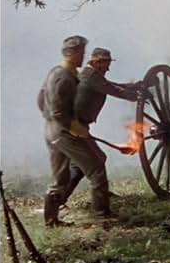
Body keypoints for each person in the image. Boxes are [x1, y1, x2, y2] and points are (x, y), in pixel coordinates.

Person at [37, 36, 113, 226]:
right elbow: (58, 112)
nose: (83, 58)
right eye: (81, 54)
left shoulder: (56, 72)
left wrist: (50, 122)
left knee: (60, 178)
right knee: (97, 166)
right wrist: (76, 128)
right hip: (64, 131)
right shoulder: (64, 78)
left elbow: (41, 99)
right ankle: (102, 214)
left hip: (52, 130)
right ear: (73, 54)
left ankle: (51, 221)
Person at [63, 47, 142, 201]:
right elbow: (114, 90)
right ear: (98, 63)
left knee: (79, 165)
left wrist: (135, 86)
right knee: (97, 159)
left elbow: (111, 85)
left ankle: (60, 200)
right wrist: (138, 96)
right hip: (75, 127)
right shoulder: (91, 76)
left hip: (76, 126)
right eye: (106, 63)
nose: (108, 67)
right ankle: (100, 206)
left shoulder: (91, 75)